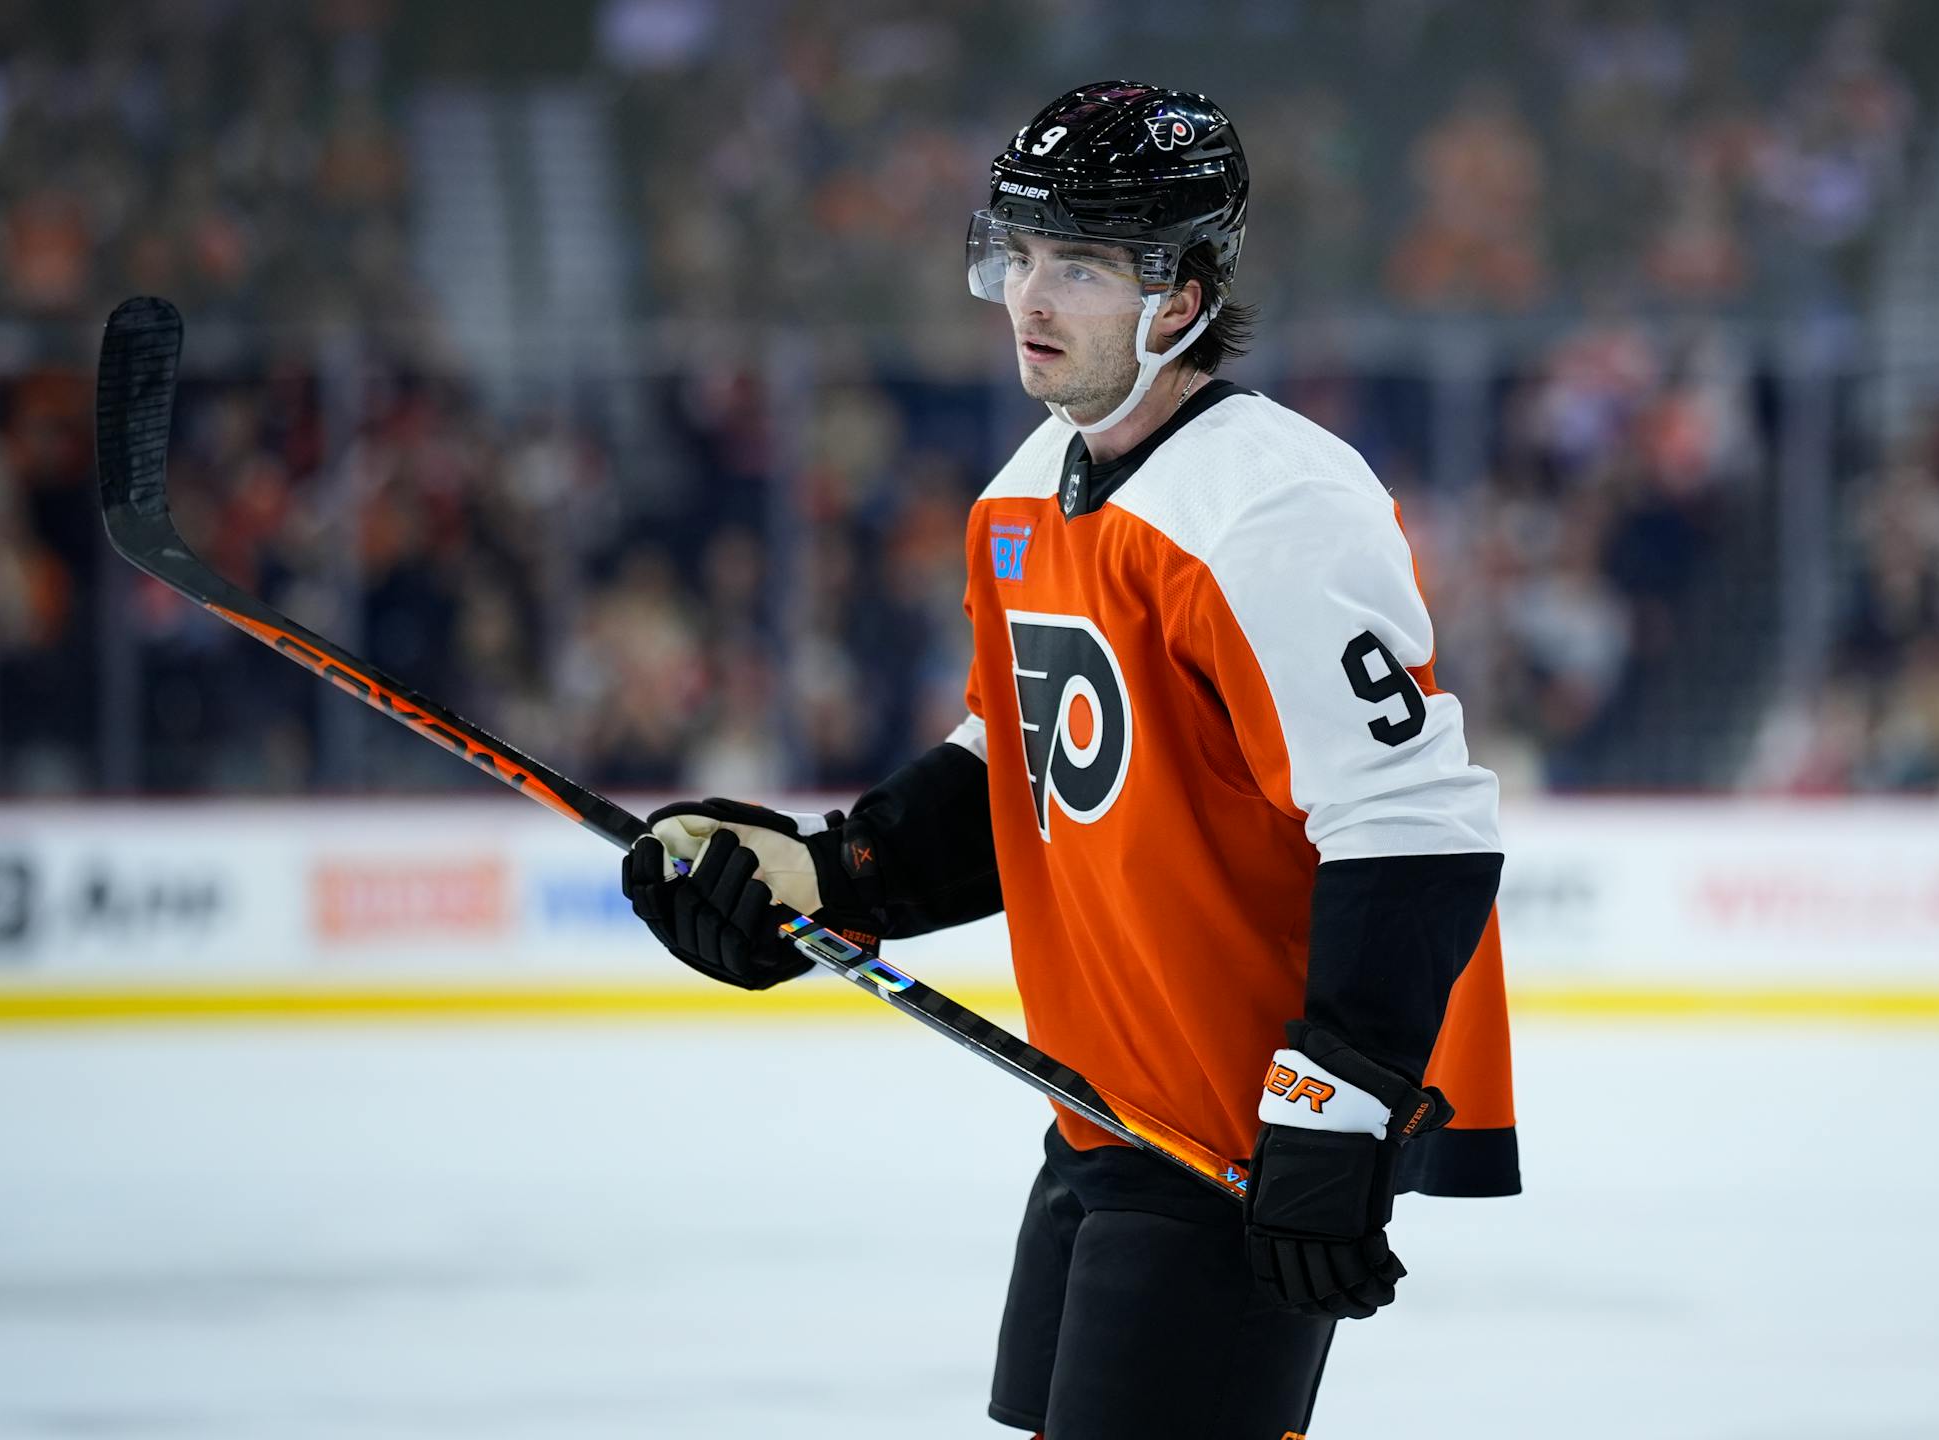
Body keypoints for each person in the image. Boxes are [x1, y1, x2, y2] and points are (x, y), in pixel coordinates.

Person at [622, 80, 1518, 1439]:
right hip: (1099, 1123)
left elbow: (1413, 825)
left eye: (1083, 267)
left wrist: (1338, 1109)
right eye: (1020, 255)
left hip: (1225, 1152)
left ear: (1183, 294)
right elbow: (1018, 769)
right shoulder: (1025, 493)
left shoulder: (1273, 506)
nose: (1030, 299)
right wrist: (827, 873)